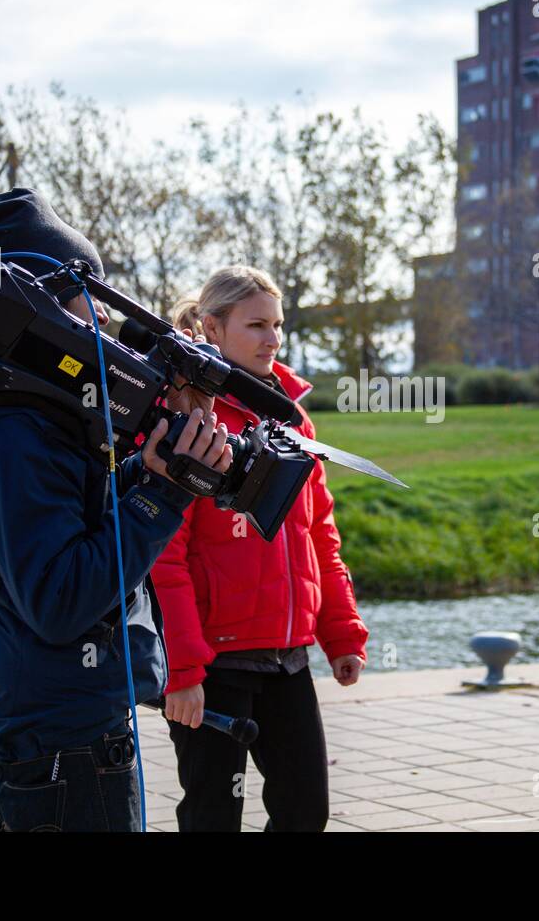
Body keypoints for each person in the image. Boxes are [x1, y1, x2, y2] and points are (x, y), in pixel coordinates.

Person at [0, 187, 232, 832]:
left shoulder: (30, 424)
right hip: (63, 752)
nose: (103, 323)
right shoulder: (12, 437)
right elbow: (61, 600)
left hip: (64, 736)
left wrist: (155, 465)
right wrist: (161, 496)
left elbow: (80, 534)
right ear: (39, 307)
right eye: (91, 298)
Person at [152, 265, 368, 832]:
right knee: (212, 819)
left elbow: (319, 532)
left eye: (277, 325)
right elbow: (164, 558)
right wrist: (184, 671)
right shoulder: (186, 415)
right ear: (212, 328)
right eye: (256, 325)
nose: (272, 339)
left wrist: (340, 633)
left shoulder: (295, 417)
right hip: (216, 665)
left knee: (305, 814)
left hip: (288, 656)